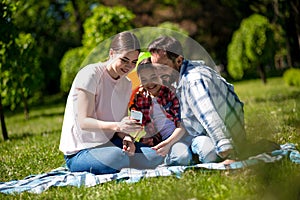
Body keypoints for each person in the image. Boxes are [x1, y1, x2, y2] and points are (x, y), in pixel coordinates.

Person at [59, 31, 163, 175]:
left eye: (133, 62)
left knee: (155, 156)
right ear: (112, 53)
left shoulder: (126, 83)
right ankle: (120, 160)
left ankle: (122, 159)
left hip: (111, 142)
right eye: (124, 60)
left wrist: (127, 138)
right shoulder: (90, 74)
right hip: (81, 151)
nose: (128, 66)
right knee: (117, 158)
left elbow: (119, 123)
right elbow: (83, 122)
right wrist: (118, 126)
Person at [148, 36, 247, 163]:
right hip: (206, 134)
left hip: (225, 136)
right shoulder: (181, 77)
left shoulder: (193, 80)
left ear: (179, 60)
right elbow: (188, 120)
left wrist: (228, 152)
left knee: (208, 154)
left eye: (162, 67)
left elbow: (209, 115)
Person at [129, 57, 192, 165]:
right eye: (144, 80)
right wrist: (131, 136)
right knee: (137, 156)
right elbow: (137, 124)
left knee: (183, 158)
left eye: (153, 77)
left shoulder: (171, 93)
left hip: (178, 138)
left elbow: (182, 125)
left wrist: (168, 144)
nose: (149, 83)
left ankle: (168, 158)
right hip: (158, 141)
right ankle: (162, 157)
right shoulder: (140, 97)